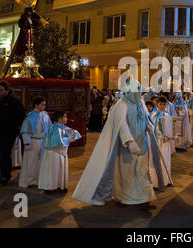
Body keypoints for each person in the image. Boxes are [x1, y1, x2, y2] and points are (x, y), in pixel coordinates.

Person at [72, 80, 158, 211]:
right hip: (128, 149)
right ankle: (125, 198)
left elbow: (146, 117)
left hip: (143, 144)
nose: (137, 93)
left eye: (138, 90)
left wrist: (149, 126)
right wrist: (129, 141)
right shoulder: (122, 104)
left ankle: (143, 198)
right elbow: (122, 125)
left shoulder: (140, 103)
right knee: (127, 175)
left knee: (142, 173)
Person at [38, 111, 81, 194]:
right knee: (53, 171)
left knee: (60, 171)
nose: (66, 118)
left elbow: (76, 135)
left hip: (61, 153)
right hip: (53, 154)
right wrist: (68, 139)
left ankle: (60, 186)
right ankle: (50, 188)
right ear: (60, 118)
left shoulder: (63, 127)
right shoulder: (54, 129)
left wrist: (68, 138)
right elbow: (57, 143)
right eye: (65, 116)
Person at [18, 97, 52, 188]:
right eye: (42, 104)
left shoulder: (45, 115)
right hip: (33, 141)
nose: (44, 106)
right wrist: (27, 143)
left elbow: (49, 128)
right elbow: (26, 131)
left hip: (43, 141)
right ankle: (29, 181)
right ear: (36, 105)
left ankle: (39, 180)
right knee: (31, 162)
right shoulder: (31, 116)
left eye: (45, 104)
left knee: (41, 162)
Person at [150, 96, 174, 189]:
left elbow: (169, 128)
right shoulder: (154, 115)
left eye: (164, 104)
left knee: (166, 159)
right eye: (160, 104)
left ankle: (165, 179)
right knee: (158, 159)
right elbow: (153, 127)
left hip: (165, 141)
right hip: (158, 140)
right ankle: (156, 181)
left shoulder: (167, 115)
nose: (162, 106)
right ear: (157, 104)